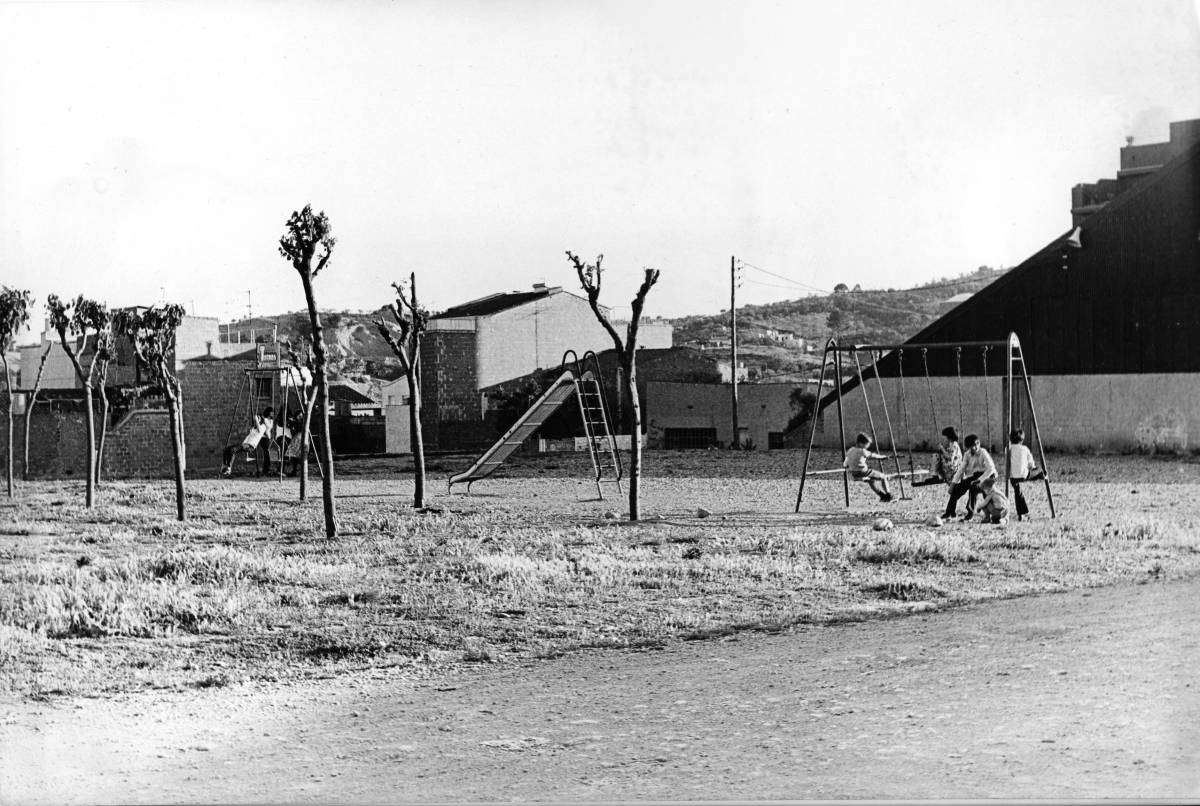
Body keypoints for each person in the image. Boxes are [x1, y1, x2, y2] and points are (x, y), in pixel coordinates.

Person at [943, 433, 996, 520]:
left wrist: (979, 480)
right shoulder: (967, 454)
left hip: (988, 476)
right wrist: (953, 484)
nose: (974, 448)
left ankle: (970, 513)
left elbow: (991, 469)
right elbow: (961, 469)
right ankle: (949, 512)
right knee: (956, 489)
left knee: (973, 487)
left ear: (978, 444)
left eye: (976, 445)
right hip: (975, 476)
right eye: (971, 447)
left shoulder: (983, 452)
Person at [220, 407, 274, 477]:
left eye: (258, 419)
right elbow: (254, 430)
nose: (256, 420)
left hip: (250, 446)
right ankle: (224, 466)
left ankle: (228, 469)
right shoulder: (254, 428)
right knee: (226, 449)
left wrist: (257, 419)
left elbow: (260, 430)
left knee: (232, 450)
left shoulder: (263, 427)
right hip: (245, 444)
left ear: (260, 420)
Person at [844, 432, 894, 503]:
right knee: (883, 477)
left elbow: (845, 463)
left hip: (854, 473)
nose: (868, 446)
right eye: (867, 444)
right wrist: (883, 457)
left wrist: (849, 468)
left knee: (871, 481)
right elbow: (873, 456)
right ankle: (889, 495)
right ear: (860, 443)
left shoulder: (850, 450)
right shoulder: (862, 451)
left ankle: (882, 496)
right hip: (863, 472)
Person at [1007, 428, 1044, 521]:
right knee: (1039, 471)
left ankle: (1021, 513)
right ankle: (1041, 475)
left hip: (1013, 477)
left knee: (1017, 492)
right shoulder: (1025, 449)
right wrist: (1033, 467)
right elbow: (1031, 463)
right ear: (1022, 440)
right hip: (1024, 475)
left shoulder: (1008, 449)